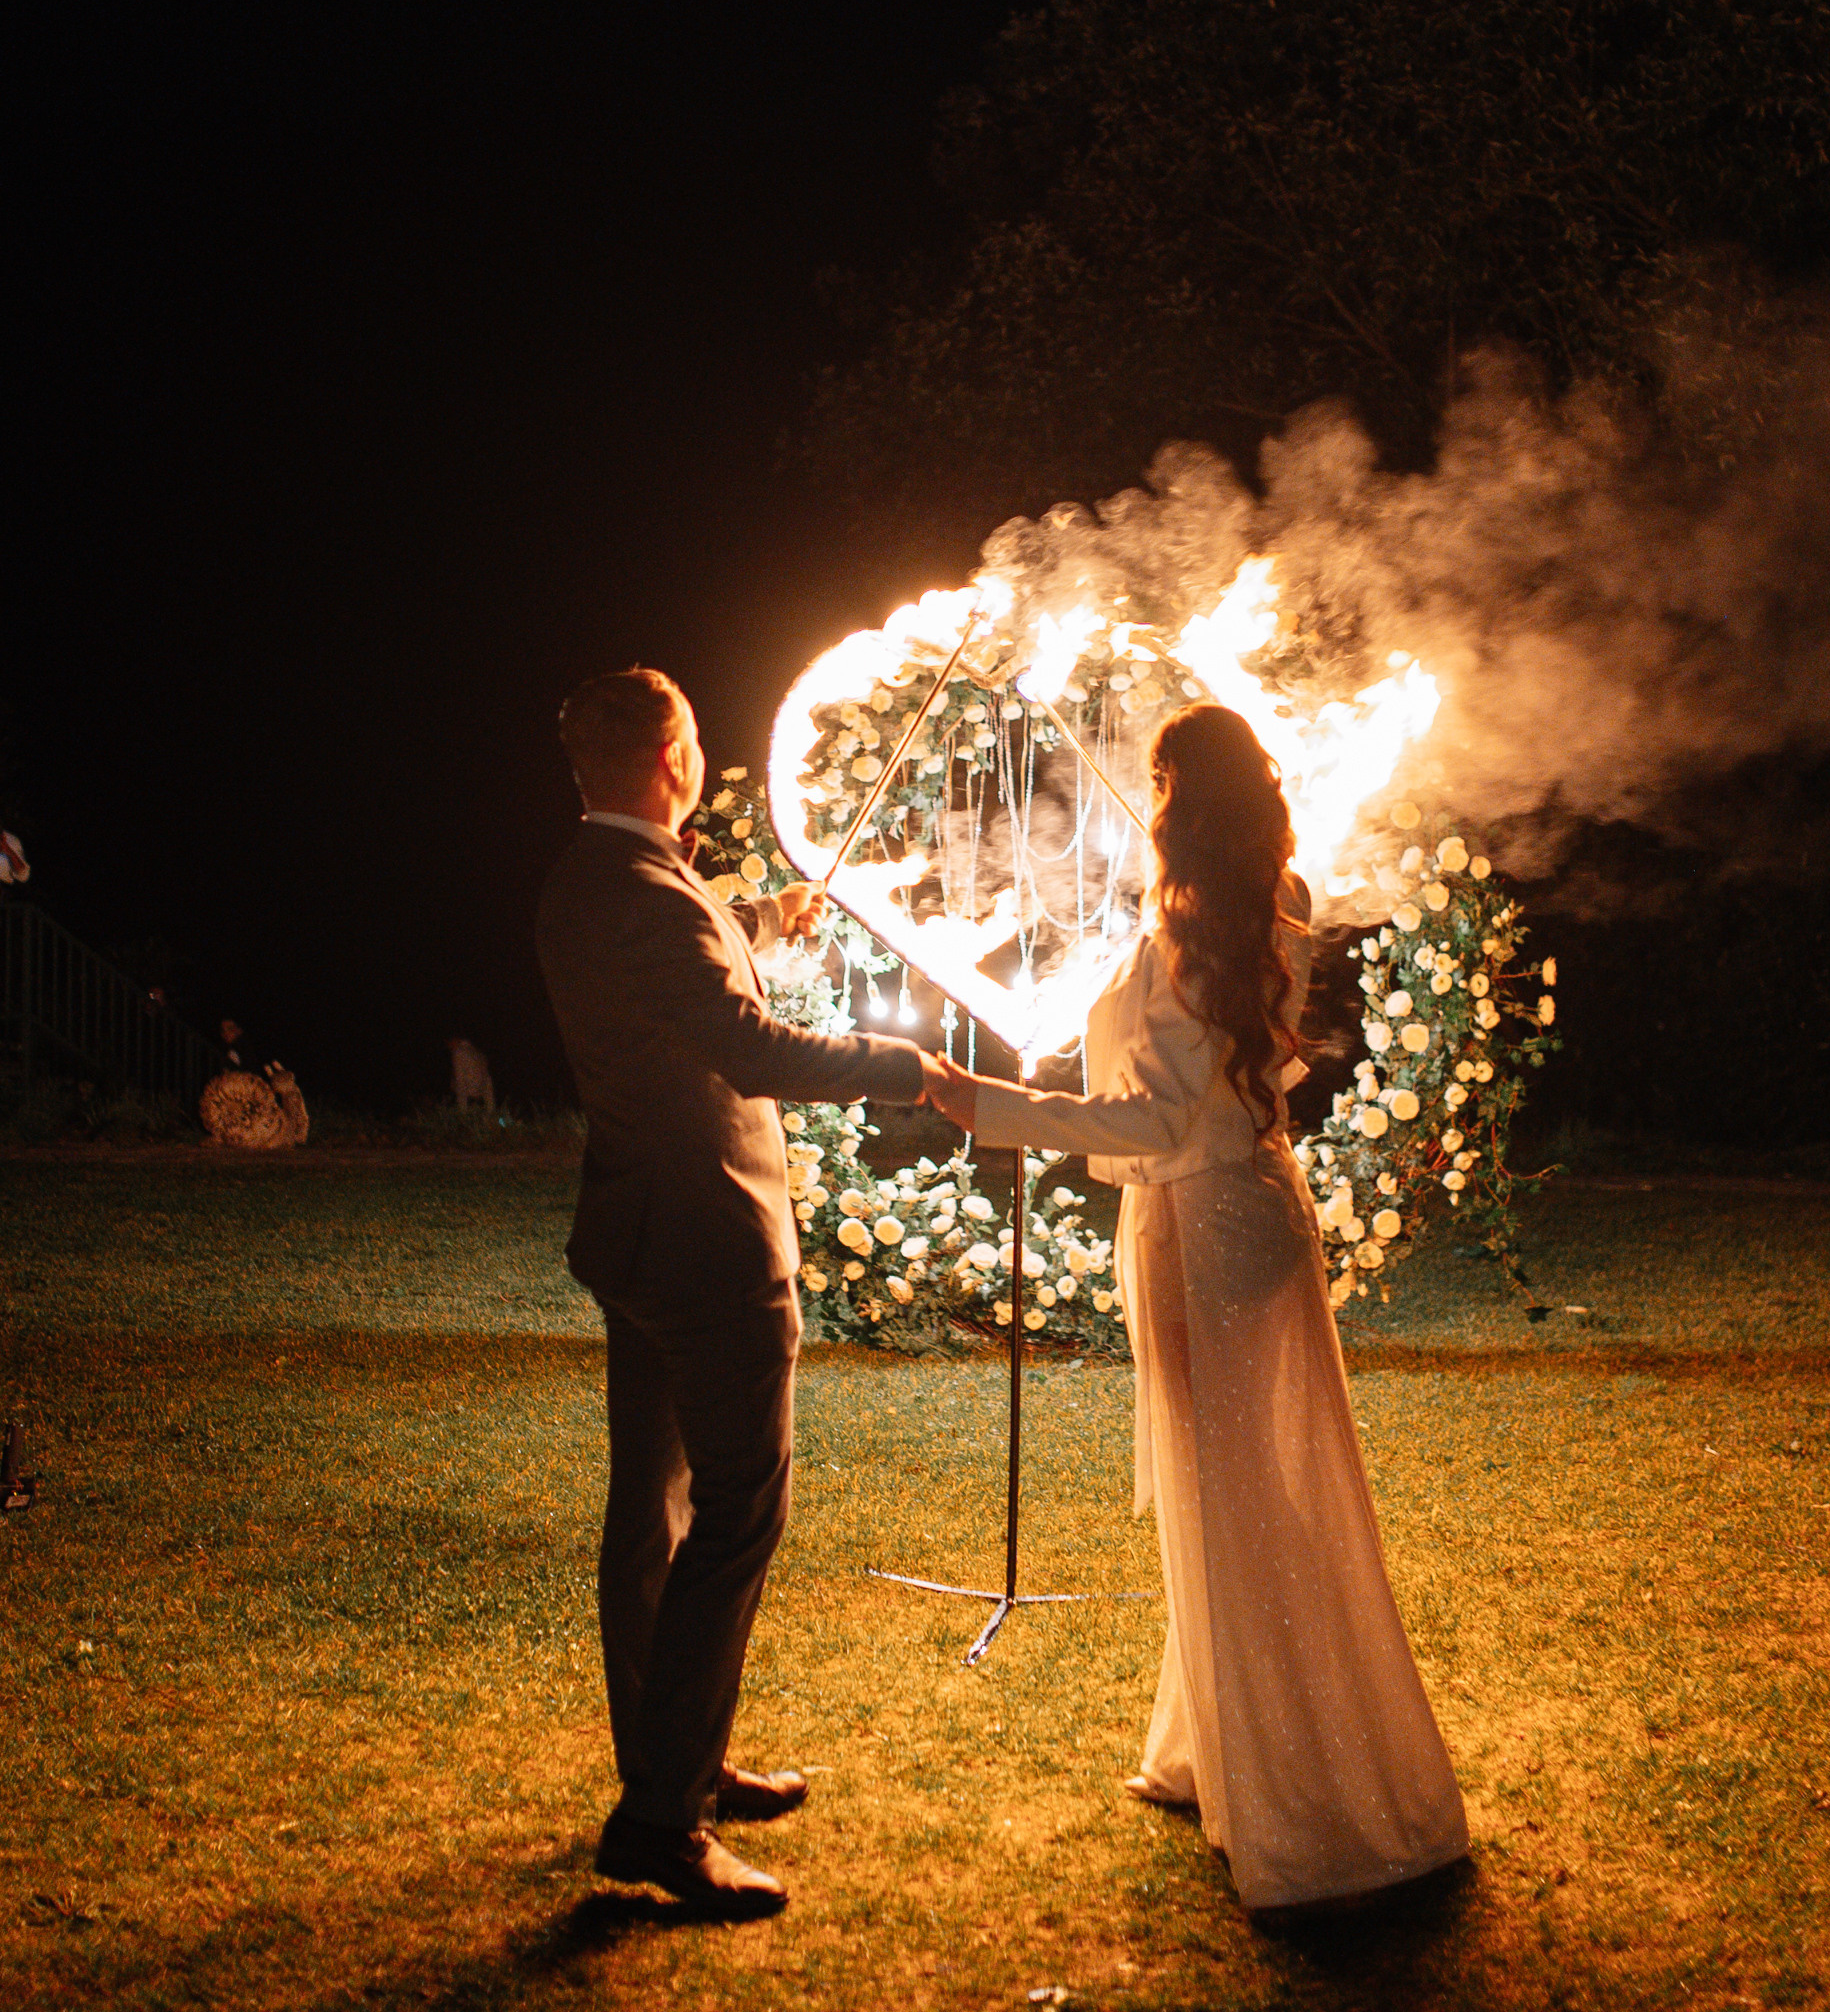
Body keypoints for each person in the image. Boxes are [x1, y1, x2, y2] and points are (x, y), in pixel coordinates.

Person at [921, 703, 1469, 1917]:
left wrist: (996, 1106)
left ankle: (1307, 1804)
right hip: (1250, 1210)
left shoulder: (1191, 934)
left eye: (1156, 776)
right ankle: (1207, 1748)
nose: (1143, 794)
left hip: (1209, 1230)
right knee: (1244, 1497)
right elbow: (1208, 1080)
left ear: (1176, 794)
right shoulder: (1271, 903)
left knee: (1244, 1509)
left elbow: (1156, 1122)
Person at [537, 666, 928, 1919]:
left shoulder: (589, 880)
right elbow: (746, 1046)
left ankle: (675, 1763)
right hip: (709, 1241)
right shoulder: (656, 897)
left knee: (645, 1519)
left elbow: (671, 976)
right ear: (671, 758)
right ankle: (661, 1821)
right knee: (737, 1510)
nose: (701, 756)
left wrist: (753, 918)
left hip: (636, 1237)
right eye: (694, 738)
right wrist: (901, 1067)